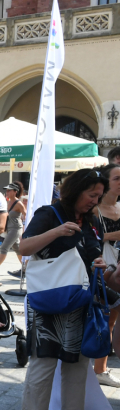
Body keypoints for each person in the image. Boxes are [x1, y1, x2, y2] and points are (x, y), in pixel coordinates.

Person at [19, 168, 107, 410]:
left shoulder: (93, 221)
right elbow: (23, 248)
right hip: (49, 299)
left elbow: (92, 253)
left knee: (78, 363)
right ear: (76, 190)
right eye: (91, 194)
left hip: (80, 299)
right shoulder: (49, 214)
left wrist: (99, 263)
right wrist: (57, 232)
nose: (94, 200)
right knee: (44, 361)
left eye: (99, 196)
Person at [95, 164, 120, 386]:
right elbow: (94, 237)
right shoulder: (95, 208)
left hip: (119, 266)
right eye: (116, 178)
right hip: (102, 265)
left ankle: (101, 368)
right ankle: (97, 368)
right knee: (104, 316)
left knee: (113, 319)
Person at [0, 183, 27, 273]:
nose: (7, 192)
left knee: (4, 248)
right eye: (6, 190)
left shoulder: (18, 203)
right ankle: (26, 269)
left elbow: (26, 214)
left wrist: (26, 228)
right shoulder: (8, 202)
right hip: (10, 229)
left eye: (9, 190)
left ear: (15, 192)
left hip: (16, 229)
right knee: (17, 249)